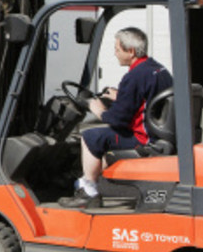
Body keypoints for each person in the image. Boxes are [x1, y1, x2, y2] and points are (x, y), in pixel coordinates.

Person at [59, 26, 171, 209]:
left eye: (117, 49)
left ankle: (89, 192)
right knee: (102, 139)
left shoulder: (134, 77)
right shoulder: (157, 69)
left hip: (144, 138)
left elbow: (117, 119)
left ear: (131, 51)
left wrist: (98, 109)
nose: (115, 54)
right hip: (157, 132)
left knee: (90, 137)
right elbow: (147, 100)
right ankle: (87, 179)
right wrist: (120, 97)